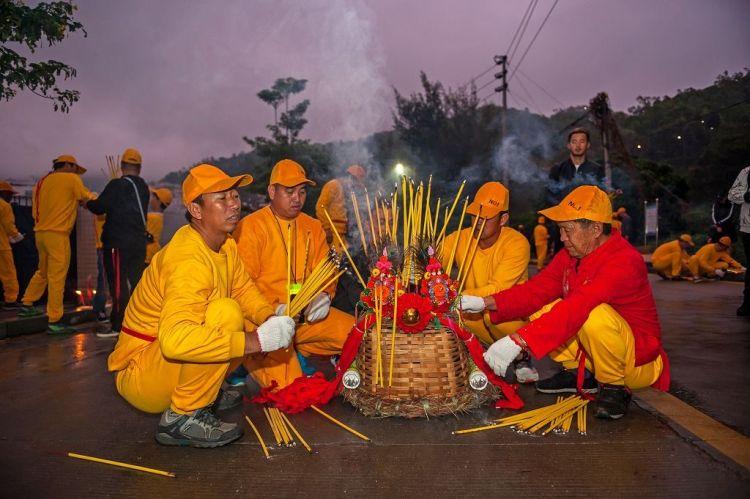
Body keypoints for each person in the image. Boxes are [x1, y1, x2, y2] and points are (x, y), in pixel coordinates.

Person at [107, 163, 295, 448]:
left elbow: (243, 288)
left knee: (238, 313)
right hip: (143, 372)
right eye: (221, 198)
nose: (233, 204)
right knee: (226, 313)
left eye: (234, 195)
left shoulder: (225, 244)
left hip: (166, 363)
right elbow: (174, 341)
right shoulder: (188, 259)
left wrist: (270, 316)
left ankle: (206, 389)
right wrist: (256, 340)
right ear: (196, 210)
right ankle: (182, 417)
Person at [461, 185, 668, 420]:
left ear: (596, 229)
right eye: (560, 230)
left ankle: (614, 387)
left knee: (593, 314)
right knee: (544, 307)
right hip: (596, 349)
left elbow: (579, 306)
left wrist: (517, 341)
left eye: (567, 230)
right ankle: (584, 374)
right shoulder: (571, 255)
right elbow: (536, 291)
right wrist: (485, 302)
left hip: (636, 362)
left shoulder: (623, 260)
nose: (562, 238)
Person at [233, 159, 353, 388]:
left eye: (302, 191)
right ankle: (245, 359)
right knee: (291, 387)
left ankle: (302, 348)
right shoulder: (250, 227)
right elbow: (242, 286)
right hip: (266, 322)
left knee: (360, 336)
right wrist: (272, 310)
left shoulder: (313, 226)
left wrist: (324, 295)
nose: (297, 199)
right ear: (271, 191)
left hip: (305, 319)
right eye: (289, 192)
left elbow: (325, 271)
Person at [443, 182, 535, 382]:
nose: (477, 222)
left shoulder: (517, 243)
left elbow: (498, 289)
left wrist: (457, 298)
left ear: (503, 219)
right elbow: (432, 262)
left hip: (508, 314)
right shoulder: (458, 238)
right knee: (453, 317)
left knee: (492, 314)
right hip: (471, 309)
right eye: (474, 215)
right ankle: (477, 353)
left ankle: (522, 356)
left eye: (485, 218)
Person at [19, 155, 94, 334]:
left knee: (43, 271)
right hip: (58, 234)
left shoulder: (41, 182)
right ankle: (55, 319)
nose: (77, 172)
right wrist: (96, 199)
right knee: (57, 276)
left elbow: (33, 210)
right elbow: (86, 197)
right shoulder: (71, 179)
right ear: (67, 165)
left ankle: (27, 303)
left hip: (40, 233)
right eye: (75, 168)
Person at [86, 148, 150, 338]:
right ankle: (140, 322)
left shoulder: (116, 185)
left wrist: (87, 202)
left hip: (117, 244)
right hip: (138, 243)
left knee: (118, 286)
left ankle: (118, 326)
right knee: (137, 283)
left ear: (122, 166)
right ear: (139, 168)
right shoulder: (144, 188)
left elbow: (99, 207)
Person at [547, 128, 605, 254]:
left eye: (582, 141)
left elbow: (600, 197)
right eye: (574, 142)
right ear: (568, 145)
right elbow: (550, 196)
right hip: (562, 224)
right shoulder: (557, 170)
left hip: (587, 225)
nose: (578, 145)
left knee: (587, 261)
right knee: (562, 262)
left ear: (588, 144)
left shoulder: (597, 169)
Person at [315, 164, 366, 249]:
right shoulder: (333, 185)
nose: (355, 187)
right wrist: (326, 228)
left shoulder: (348, 191)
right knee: (336, 260)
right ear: (350, 178)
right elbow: (320, 207)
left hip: (343, 234)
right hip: (332, 233)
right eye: (355, 184)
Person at [728, 165, 750, 316]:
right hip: (749, 228)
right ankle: (748, 303)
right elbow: (733, 195)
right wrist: (747, 196)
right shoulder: (747, 171)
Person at [0, 180, 23, 308]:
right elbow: (8, 225)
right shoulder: (4, 205)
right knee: (8, 273)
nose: (11, 197)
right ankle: (10, 301)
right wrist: (16, 236)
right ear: (3, 192)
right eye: (10, 194)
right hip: (2, 247)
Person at [145, 187, 173, 265]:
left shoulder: (152, 217)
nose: (151, 200)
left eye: (154, 197)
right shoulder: (160, 217)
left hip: (147, 255)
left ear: (159, 202)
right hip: (153, 254)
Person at [91, 214, 109, 322]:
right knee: (103, 280)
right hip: (103, 247)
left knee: (104, 280)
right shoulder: (101, 208)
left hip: (107, 246)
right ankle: (99, 310)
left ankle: (100, 309)